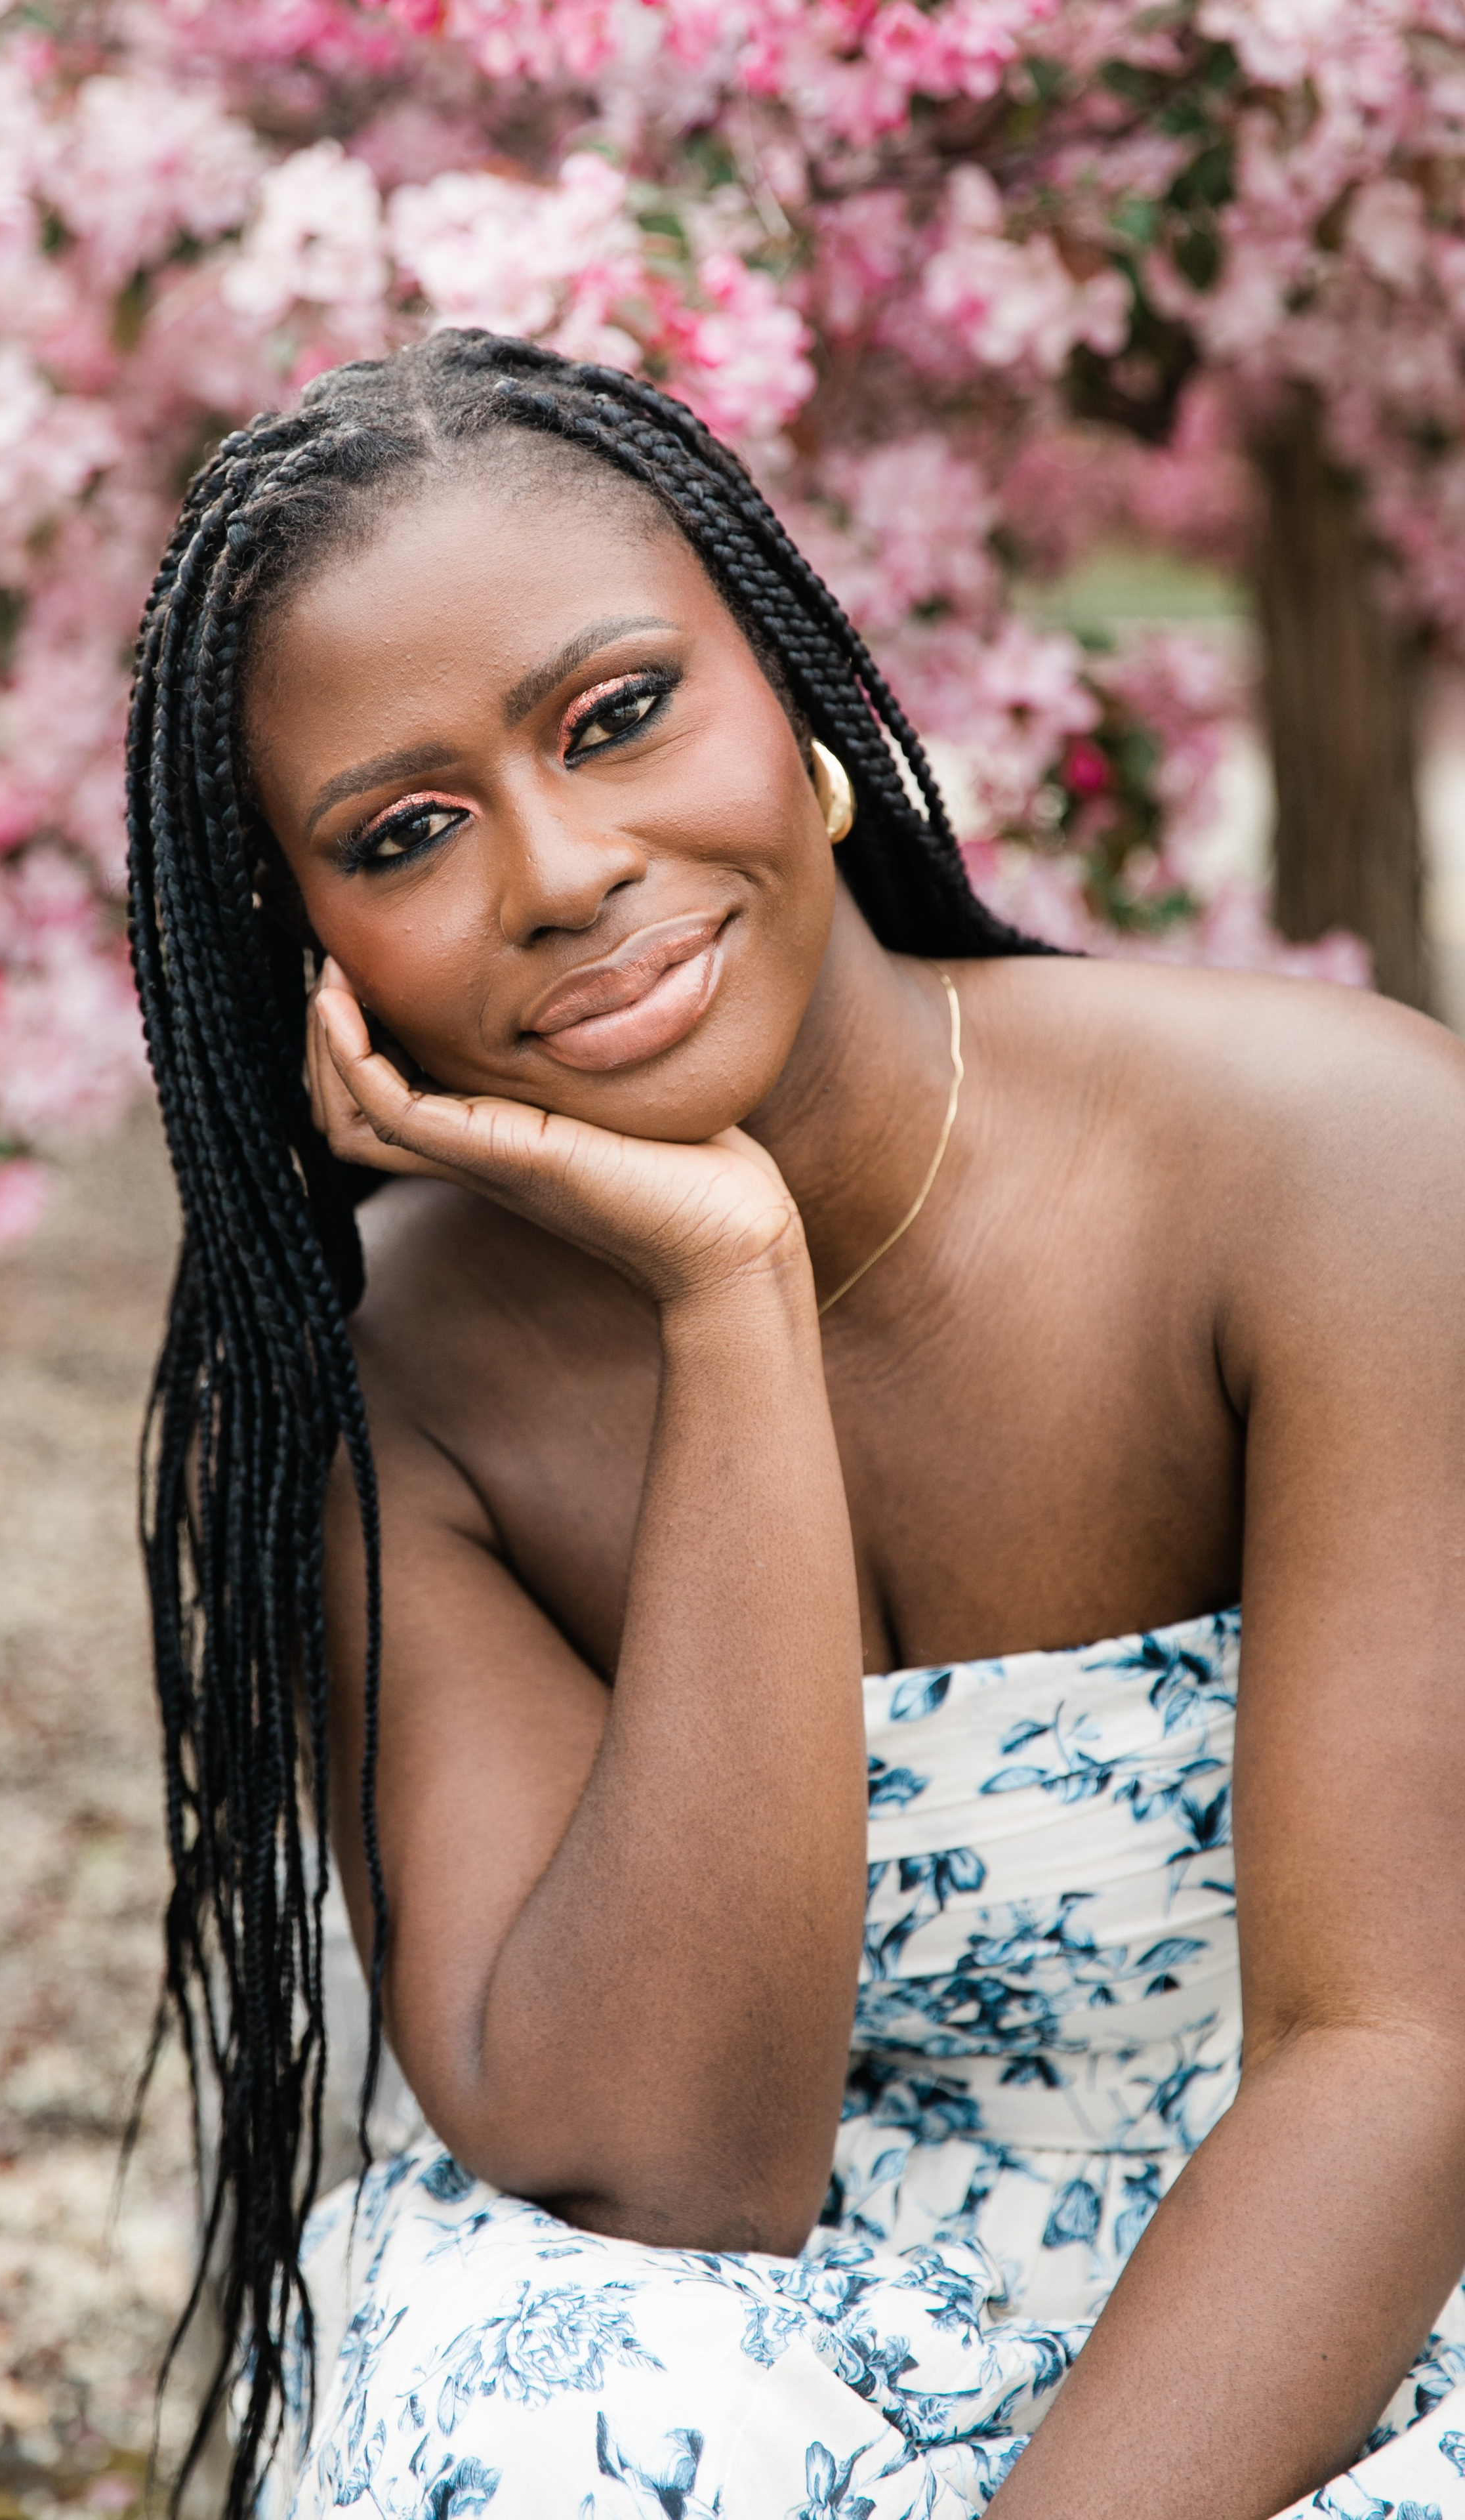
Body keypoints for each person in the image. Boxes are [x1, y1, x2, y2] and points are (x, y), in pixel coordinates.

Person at [124, 330, 1465, 2520]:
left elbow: (1400, 2057)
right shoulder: (394, 1391)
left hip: (1362, 2272)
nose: (559, 868)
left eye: (622, 713)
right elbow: (675, 2160)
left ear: (797, 701)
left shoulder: (1346, 1166)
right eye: (409, 832)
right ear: (316, 951)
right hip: (779, 2316)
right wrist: (729, 1297)